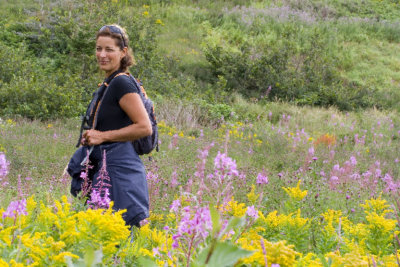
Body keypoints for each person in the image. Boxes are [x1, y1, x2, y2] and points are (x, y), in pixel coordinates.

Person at [68, 24, 152, 228]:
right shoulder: (110, 82)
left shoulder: (122, 83)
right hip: (108, 169)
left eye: (109, 49)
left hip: (119, 173)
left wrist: (102, 136)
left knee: (116, 239)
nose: (102, 55)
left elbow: (144, 127)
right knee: (98, 236)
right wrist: (92, 136)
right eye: (98, 49)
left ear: (123, 52)